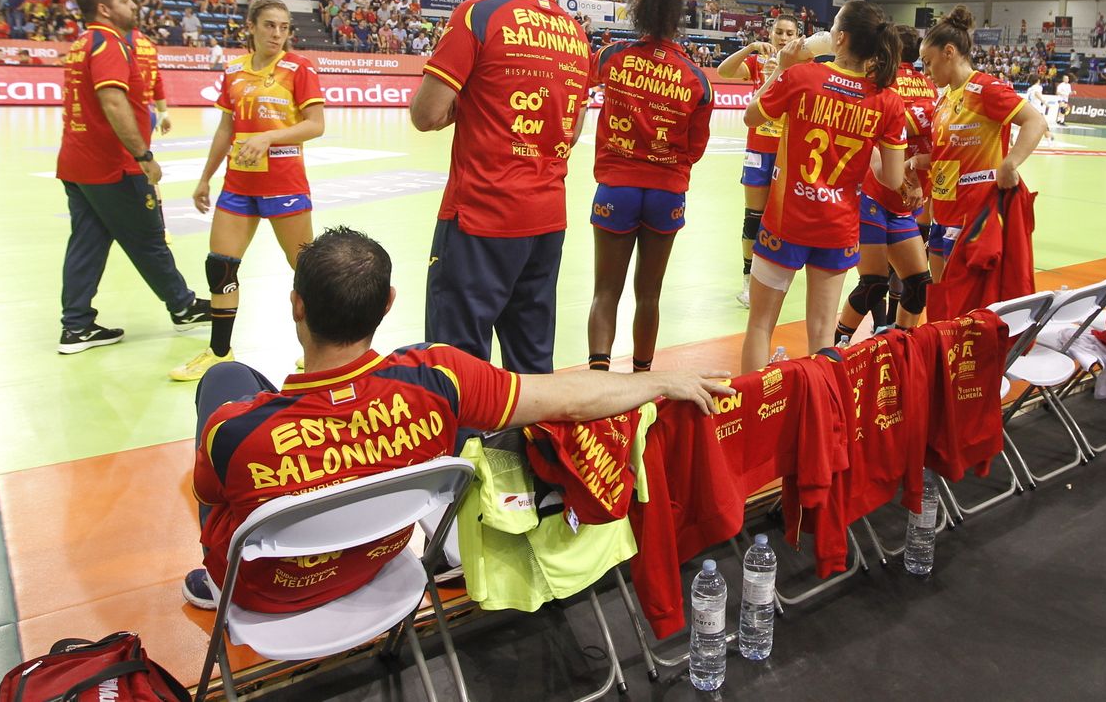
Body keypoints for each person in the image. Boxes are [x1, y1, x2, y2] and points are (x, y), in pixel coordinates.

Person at [180, 226, 733, 611]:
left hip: (261, 590)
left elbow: (214, 500)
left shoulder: (235, 430)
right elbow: (568, 397)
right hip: (376, 562)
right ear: (389, 303)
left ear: (296, 304)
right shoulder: (438, 378)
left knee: (225, 380)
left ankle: (216, 581)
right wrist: (657, 381)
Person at [410, 0, 591, 374]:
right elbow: (573, 128)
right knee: (531, 360)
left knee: (457, 363)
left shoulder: (478, 14)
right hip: (547, 218)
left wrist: (467, 106)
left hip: (481, 216)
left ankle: (464, 447)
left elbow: (426, 113)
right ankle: (524, 446)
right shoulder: (574, 32)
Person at [739, 0, 907, 373]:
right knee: (821, 334)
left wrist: (782, 68)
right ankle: (823, 416)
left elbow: (751, 117)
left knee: (760, 325)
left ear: (841, 38)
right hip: (838, 227)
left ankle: (752, 419)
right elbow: (892, 180)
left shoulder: (801, 77)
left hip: (787, 220)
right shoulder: (888, 101)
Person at [55, 0, 210, 352]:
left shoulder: (83, 43)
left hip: (78, 163)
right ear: (105, 9)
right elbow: (113, 103)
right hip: (111, 166)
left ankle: (76, 326)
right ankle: (183, 305)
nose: (134, 4)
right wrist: (144, 156)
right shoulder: (108, 43)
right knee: (148, 239)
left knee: (87, 243)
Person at [175, 0, 326, 382]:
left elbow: (315, 124)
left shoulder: (299, 68)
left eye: (284, 27)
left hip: (284, 184)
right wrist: (205, 177)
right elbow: (226, 129)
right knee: (220, 266)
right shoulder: (234, 71)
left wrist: (271, 137)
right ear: (252, 27)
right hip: (239, 183)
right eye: (269, 25)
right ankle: (219, 351)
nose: (277, 34)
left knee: (305, 270)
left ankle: (318, 352)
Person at [586, 0, 713, 372]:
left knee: (605, 291)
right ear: (679, 19)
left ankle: (597, 375)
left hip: (616, 189)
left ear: (638, 13)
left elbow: (577, 83)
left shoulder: (613, 56)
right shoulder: (697, 78)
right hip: (666, 193)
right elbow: (695, 149)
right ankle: (642, 375)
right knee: (650, 294)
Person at [919, 6, 1048, 282]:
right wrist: (915, 163)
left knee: (967, 307)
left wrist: (1010, 163)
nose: (925, 71)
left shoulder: (985, 89)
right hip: (941, 215)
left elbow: (1035, 121)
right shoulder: (944, 99)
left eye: (928, 62)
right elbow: (948, 155)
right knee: (943, 304)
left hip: (972, 218)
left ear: (949, 52)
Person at [834, 25, 937, 343]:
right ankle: (841, 347)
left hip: (884, 197)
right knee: (912, 285)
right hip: (886, 198)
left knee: (883, 284)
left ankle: (891, 344)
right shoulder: (930, 89)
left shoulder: (879, 86)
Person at [717, 14, 801, 306]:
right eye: (779, 31)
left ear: (797, 37)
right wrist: (750, 48)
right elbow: (724, 71)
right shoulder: (758, 63)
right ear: (771, 32)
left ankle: (776, 280)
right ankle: (748, 281)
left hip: (788, 152)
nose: (783, 37)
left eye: (789, 33)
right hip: (758, 150)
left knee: (781, 218)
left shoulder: (804, 67)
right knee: (753, 218)